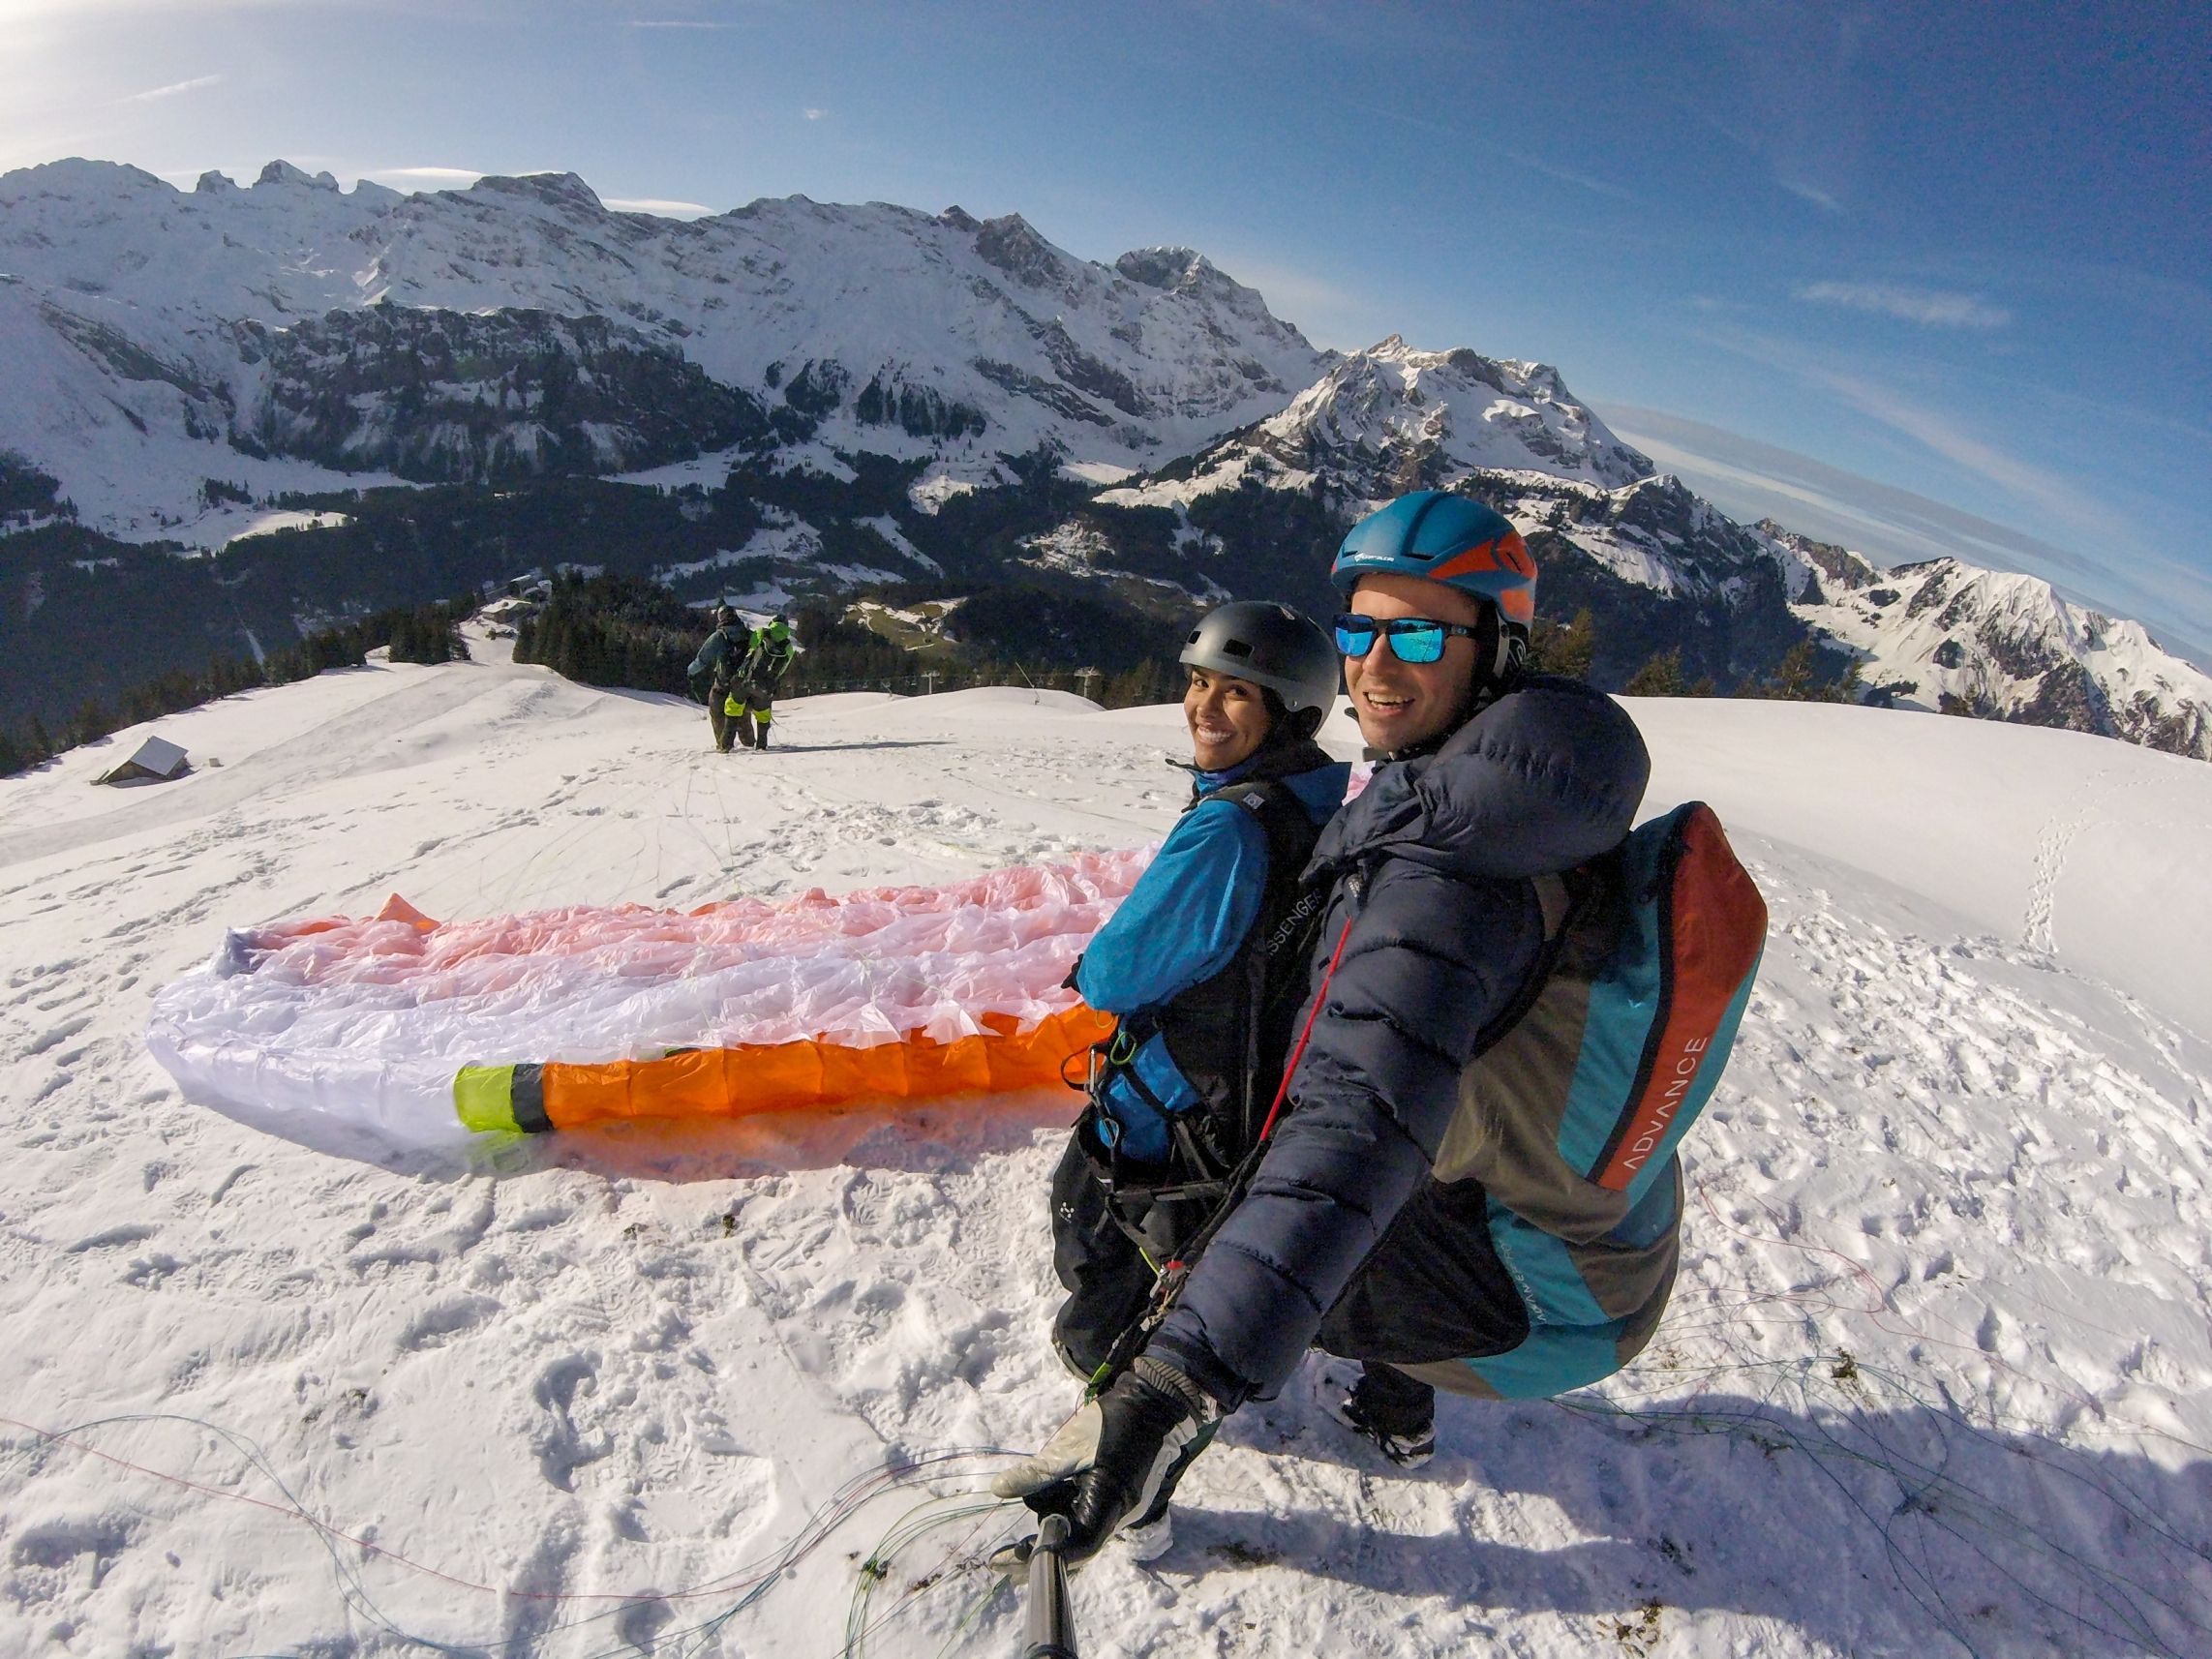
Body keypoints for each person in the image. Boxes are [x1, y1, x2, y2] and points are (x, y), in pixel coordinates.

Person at [996, 491, 1656, 1565]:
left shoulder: (1438, 874)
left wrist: (1171, 1388)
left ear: (1496, 646)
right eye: (1361, 627)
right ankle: (1394, 1413)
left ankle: (1141, 1477)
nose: (1378, 665)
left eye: (1422, 632)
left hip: (1497, 1283)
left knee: (1182, 1236)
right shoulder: (1505, 786)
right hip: (1506, 1212)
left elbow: (1351, 1127)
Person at [1047, 602, 1348, 1415]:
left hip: (1177, 1098)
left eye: (1237, 695)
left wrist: (1093, 966)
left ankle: (1112, 1407)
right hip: (1260, 1087)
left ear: (1292, 715)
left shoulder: (1228, 827)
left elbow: (1116, 976)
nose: (1203, 709)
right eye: (1197, 683)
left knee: (1096, 1235)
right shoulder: (1324, 805)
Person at [685, 606, 752, 753]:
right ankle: (750, 743)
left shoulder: (719, 636)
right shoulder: (748, 634)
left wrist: (690, 672)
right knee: (742, 712)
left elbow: (702, 660)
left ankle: (723, 745)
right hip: (744, 684)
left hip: (724, 683)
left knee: (717, 712)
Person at [731, 614, 797, 748]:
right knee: (763, 715)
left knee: (732, 707)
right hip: (766, 687)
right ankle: (761, 746)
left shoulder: (762, 632)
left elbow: (751, 649)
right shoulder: (788, 646)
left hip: (748, 681)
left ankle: (725, 745)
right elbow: (782, 669)